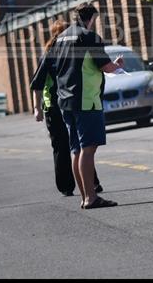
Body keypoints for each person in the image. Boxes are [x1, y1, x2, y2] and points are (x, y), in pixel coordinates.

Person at [52, 2, 123, 209]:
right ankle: (91, 198)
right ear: (92, 18)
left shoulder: (61, 38)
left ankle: (85, 197)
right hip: (86, 99)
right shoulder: (89, 37)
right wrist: (117, 66)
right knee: (88, 149)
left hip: (65, 99)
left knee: (76, 150)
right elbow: (106, 67)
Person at [30, 19, 101, 197]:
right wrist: (37, 108)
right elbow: (37, 83)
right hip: (54, 107)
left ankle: (91, 183)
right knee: (66, 147)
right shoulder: (48, 55)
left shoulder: (68, 52)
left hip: (68, 104)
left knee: (79, 146)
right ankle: (67, 185)